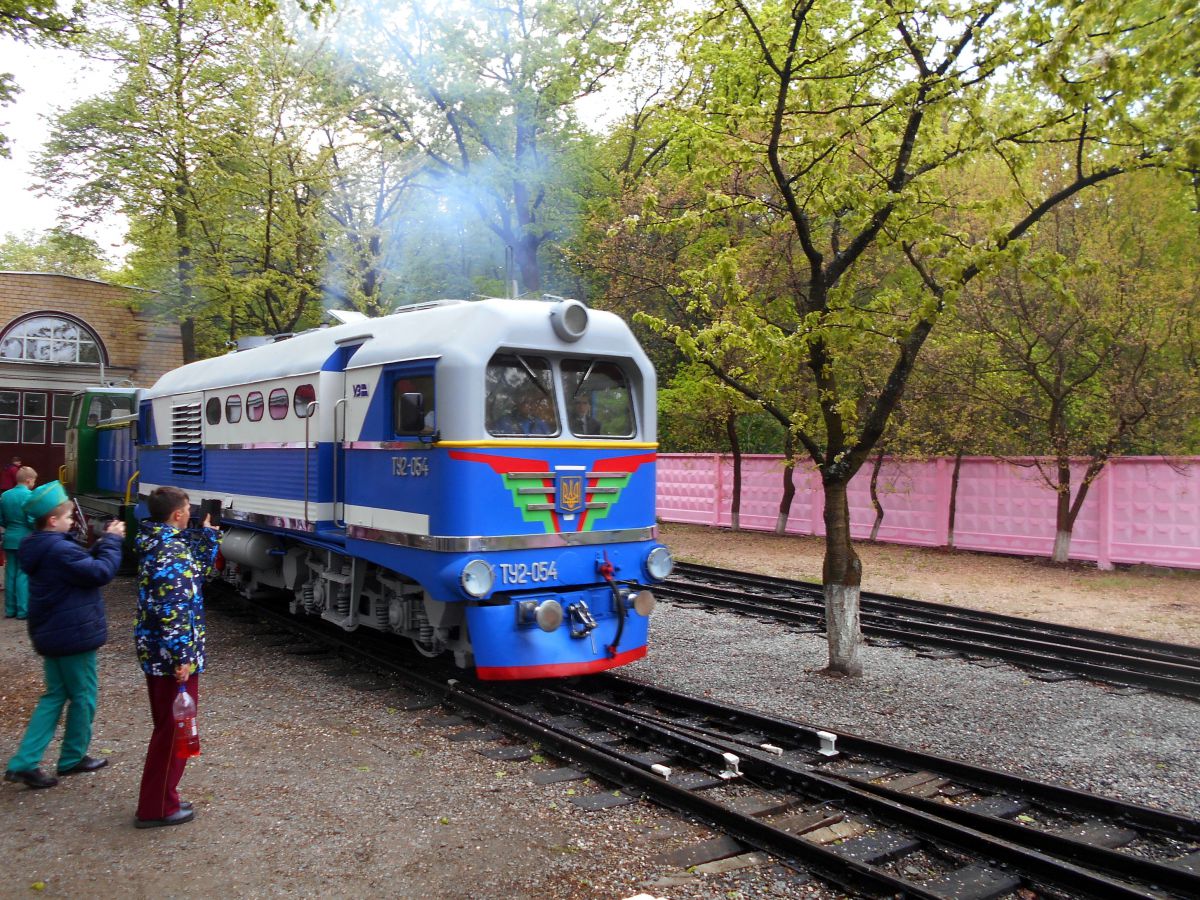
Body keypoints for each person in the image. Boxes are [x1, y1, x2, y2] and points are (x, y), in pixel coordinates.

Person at [3, 481, 125, 789]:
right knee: (84, 696)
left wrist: (97, 545)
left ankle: (25, 761)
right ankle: (71, 757)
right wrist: (111, 542)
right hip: (73, 635)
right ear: (52, 520)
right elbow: (100, 573)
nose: (72, 521)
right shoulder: (59, 549)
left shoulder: (41, 545)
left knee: (55, 695)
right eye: (69, 517)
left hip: (52, 633)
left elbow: (80, 566)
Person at [133, 486, 220, 829]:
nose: (190, 513)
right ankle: (157, 807)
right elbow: (174, 609)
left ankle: (162, 797)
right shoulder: (171, 551)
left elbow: (194, 573)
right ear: (178, 514)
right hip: (172, 659)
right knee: (173, 734)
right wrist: (182, 658)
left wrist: (209, 538)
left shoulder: (159, 542)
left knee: (168, 731)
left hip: (157, 653)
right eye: (187, 509)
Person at [2, 466, 37, 619]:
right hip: (26, 539)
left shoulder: (5, 496)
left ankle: (10, 610)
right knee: (23, 574)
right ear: (29, 480)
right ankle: (23, 610)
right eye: (34, 481)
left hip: (9, 538)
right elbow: (31, 521)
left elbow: (1, 519)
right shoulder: (30, 496)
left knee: (10, 573)